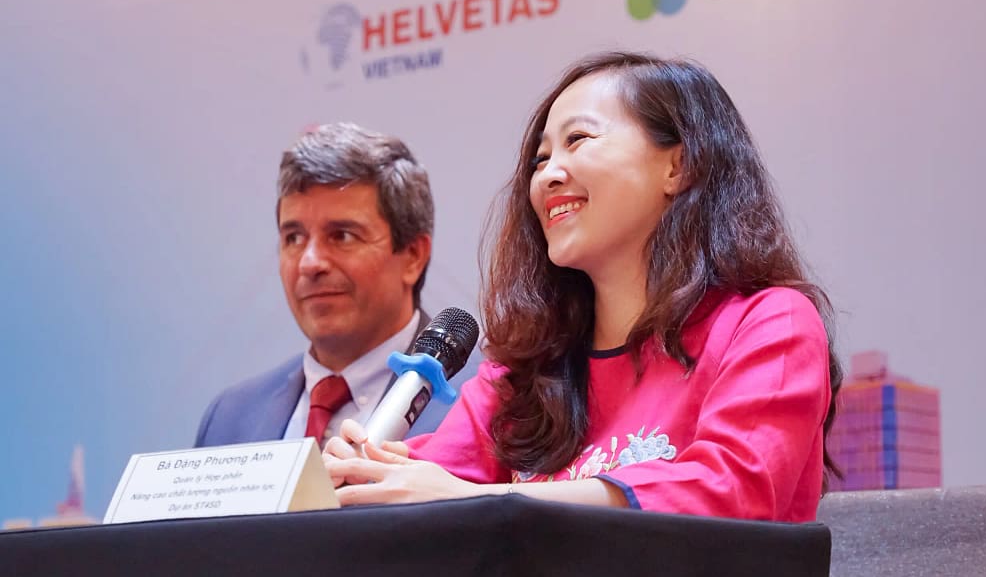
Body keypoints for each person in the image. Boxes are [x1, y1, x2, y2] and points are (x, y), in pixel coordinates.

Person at [322, 52, 842, 521]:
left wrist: (488, 498)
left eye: (578, 140)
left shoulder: (770, 323)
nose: (548, 176)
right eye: (540, 159)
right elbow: (435, 486)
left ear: (679, 166)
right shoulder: (524, 370)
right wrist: (365, 476)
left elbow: (732, 491)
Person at [195, 122, 471, 448]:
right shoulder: (229, 418)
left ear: (413, 256)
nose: (310, 263)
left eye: (342, 236)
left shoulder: (489, 401)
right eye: (293, 238)